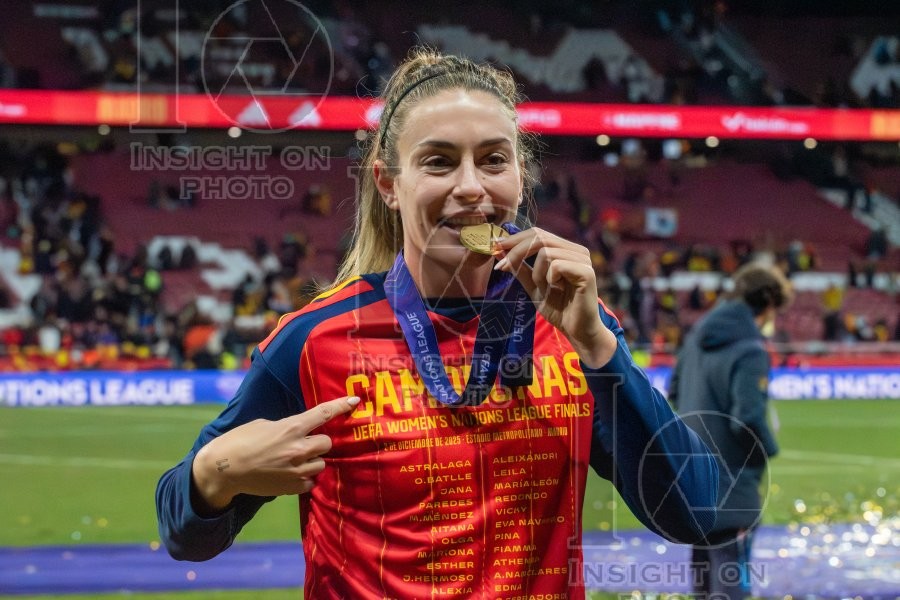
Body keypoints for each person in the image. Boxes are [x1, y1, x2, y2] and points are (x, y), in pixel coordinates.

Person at [156, 49, 718, 598]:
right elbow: (183, 533)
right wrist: (218, 471)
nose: (471, 186)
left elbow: (699, 514)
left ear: (520, 177)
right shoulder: (317, 340)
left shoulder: (573, 327)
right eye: (439, 162)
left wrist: (598, 345)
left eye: (494, 160)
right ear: (387, 184)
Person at [669, 262, 791, 599]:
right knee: (732, 578)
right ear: (767, 302)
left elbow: (674, 394)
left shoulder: (696, 339)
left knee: (704, 581)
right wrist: (769, 448)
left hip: (694, 478)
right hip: (733, 482)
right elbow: (747, 418)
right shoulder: (750, 350)